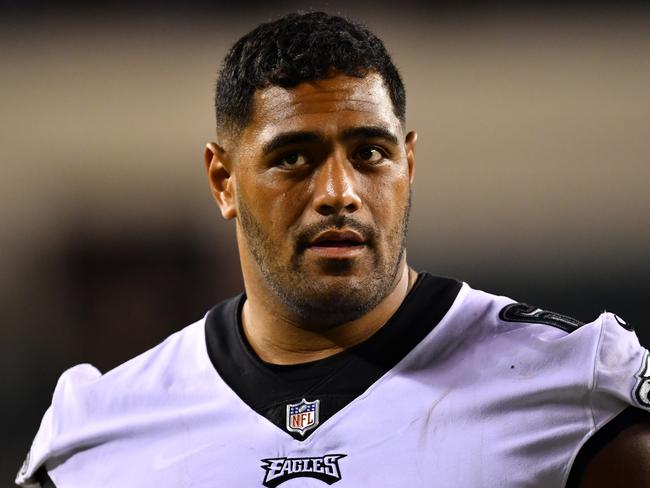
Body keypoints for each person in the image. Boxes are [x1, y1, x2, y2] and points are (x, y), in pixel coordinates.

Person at [17, 11, 650, 488]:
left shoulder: (572, 385)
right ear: (223, 181)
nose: (339, 193)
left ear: (409, 162)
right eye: (293, 158)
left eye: (370, 153)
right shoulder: (98, 432)